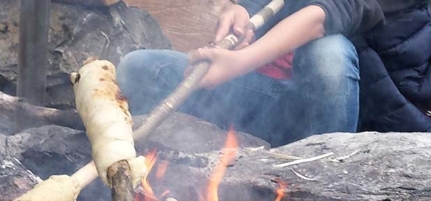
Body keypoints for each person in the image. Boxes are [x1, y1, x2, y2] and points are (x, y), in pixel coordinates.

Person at [116, 0, 431, 147]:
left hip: (364, 127)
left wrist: (239, 63)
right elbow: (264, 6)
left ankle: (323, 198)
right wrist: (237, 10)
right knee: (140, 69)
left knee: (328, 53)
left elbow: (326, 15)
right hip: (282, 106)